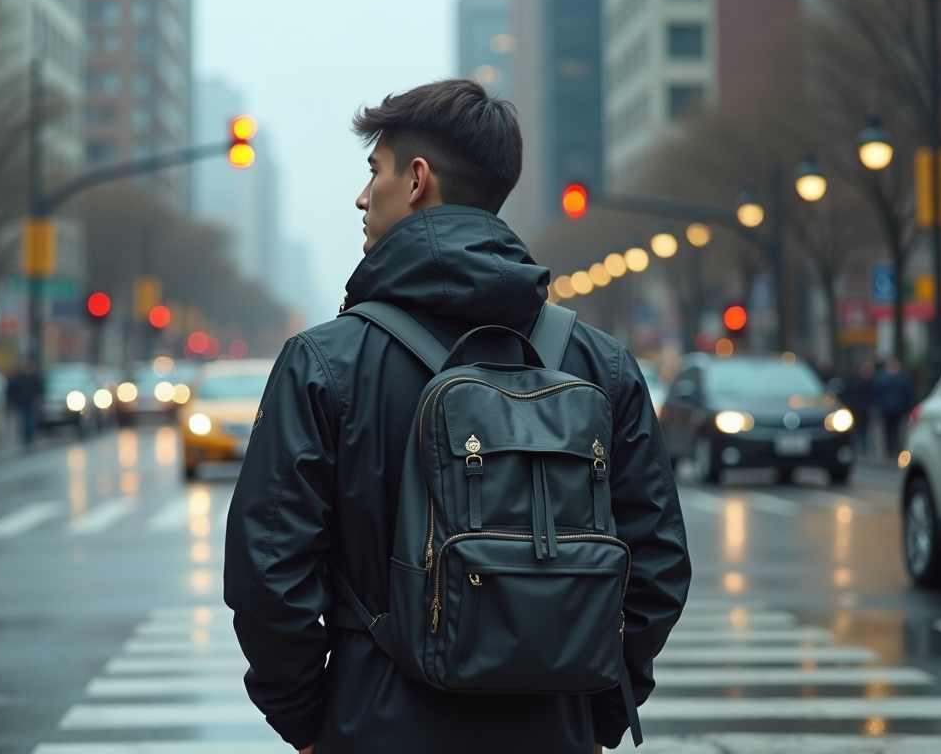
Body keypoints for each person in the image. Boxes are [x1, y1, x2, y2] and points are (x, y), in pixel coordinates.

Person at [223, 80, 691, 754]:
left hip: (372, 723)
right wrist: (598, 718)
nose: (361, 196)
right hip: (552, 729)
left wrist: (308, 722)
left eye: (373, 171)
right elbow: (658, 564)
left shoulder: (324, 361)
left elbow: (268, 570)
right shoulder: (601, 363)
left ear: (417, 180)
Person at [873, 357, 916, 457]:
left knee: (894, 429)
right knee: (889, 429)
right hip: (889, 408)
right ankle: (891, 448)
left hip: (895, 408)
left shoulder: (884, 378)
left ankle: (892, 448)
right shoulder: (899, 378)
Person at [842, 359, 876, 457]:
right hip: (857, 409)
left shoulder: (869, 382)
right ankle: (860, 447)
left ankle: (863, 447)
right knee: (858, 429)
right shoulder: (857, 381)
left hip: (863, 410)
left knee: (863, 429)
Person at [8, 359, 44, 446]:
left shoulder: (35, 378)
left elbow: (40, 389)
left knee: (30, 420)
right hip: (22, 402)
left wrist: (39, 398)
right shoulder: (20, 378)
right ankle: (25, 436)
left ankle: (30, 435)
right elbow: (13, 390)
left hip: (31, 402)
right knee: (24, 420)